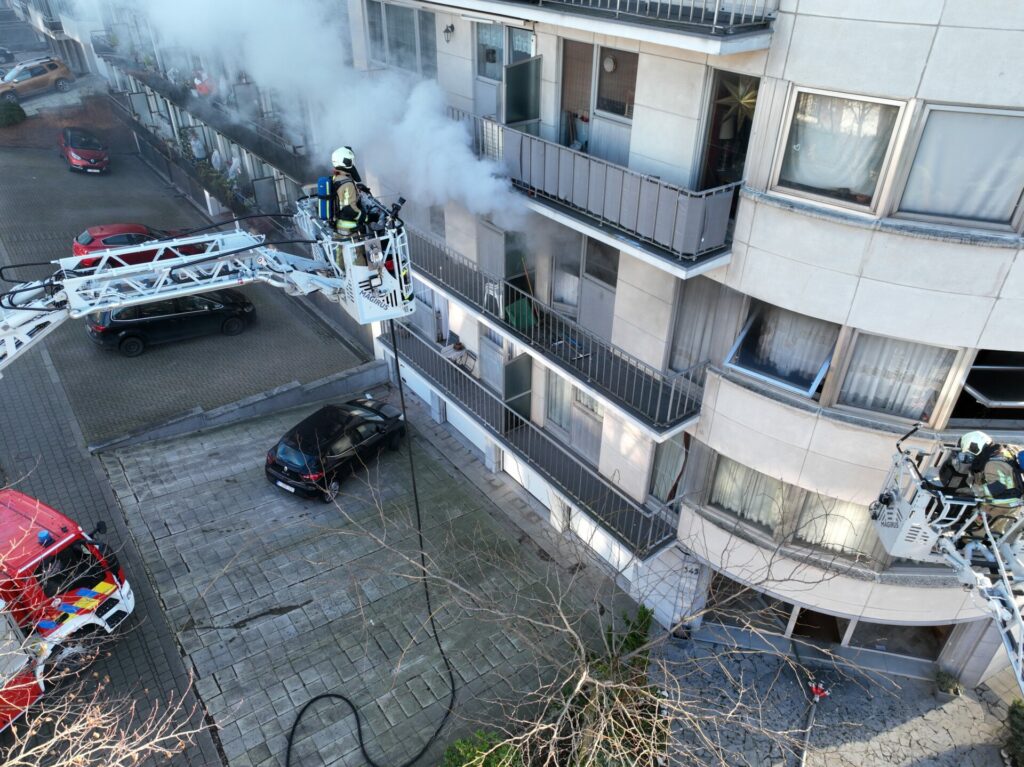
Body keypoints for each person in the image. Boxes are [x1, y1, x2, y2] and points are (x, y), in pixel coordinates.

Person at [954, 431, 1024, 538]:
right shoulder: (1006, 452)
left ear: (974, 449)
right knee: (997, 536)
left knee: (970, 535)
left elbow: (997, 487)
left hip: (997, 506)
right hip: (1014, 506)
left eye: (967, 454)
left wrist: (973, 491)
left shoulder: (990, 464)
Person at [329, 146, 366, 236]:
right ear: (346, 161)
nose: (353, 163)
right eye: (351, 160)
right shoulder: (347, 183)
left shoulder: (336, 177)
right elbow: (350, 209)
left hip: (339, 226)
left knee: (341, 249)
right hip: (350, 229)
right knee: (359, 250)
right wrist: (365, 216)